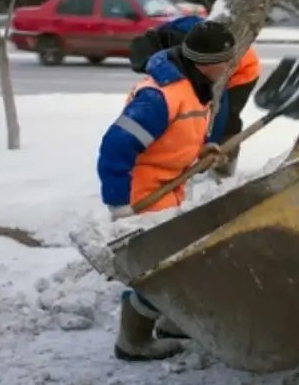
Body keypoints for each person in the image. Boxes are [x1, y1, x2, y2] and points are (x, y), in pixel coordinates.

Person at [96, 20, 236, 361]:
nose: (230, 66)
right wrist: (119, 206)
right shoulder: (159, 97)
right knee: (159, 271)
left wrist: (200, 150)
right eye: (226, 60)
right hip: (142, 192)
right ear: (207, 62)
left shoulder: (194, 84)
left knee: (178, 260)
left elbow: (175, 134)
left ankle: (173, 320)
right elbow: (115, 147)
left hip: (168, 186)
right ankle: (133, 341)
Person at [129, 15, 260, 178]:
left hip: (242, 70)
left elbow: (219, 104)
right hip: (221, 59)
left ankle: (224, 168)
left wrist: (211, 142)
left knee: (228, 120)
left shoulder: (195, 51)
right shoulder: (168, 34)